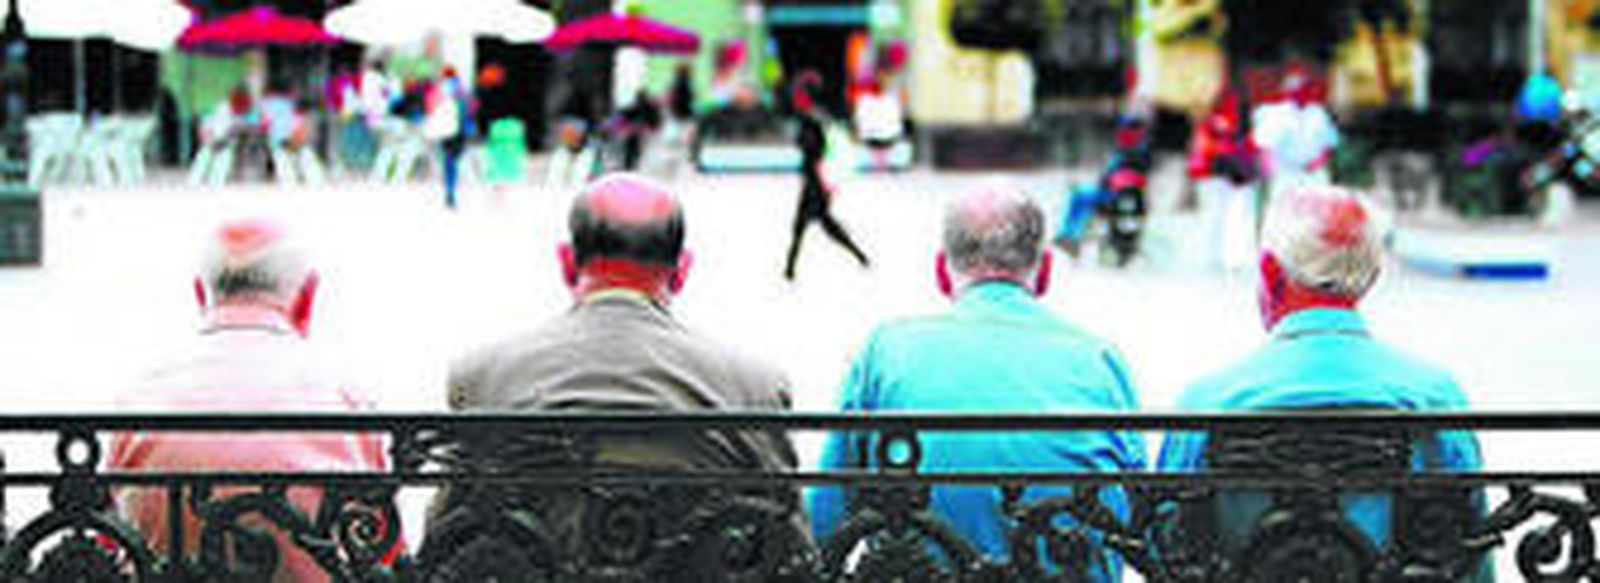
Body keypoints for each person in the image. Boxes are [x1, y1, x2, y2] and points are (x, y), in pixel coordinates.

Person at [442, 173, 807, 550]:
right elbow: (792, 549)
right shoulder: (754, 384)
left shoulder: (482, 376)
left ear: (567, 263)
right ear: (682, 271)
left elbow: (446, 544)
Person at [810, 185, 1147, 581]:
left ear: (941, 271)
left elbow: (828, 513)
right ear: (1046, 273)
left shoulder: (885, 349)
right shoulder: (1099, 358)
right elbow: (1139, 511)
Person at [1158, 186, 1486, 575]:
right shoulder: (1434, 396)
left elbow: (1164, 541)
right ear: (1372, 277)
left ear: (1269, 271)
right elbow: (1470, 548)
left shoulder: (1210, 400)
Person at [108, 218, 390, 582]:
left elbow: (113, 537)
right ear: (307, 298)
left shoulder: (143, 394)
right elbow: (383, 540)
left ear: (200, 294)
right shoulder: (344, 395)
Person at [782, 71, 871, 281]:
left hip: (815, 181)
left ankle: (790, 269)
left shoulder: (812, 121)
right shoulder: (816, 118)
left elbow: (818, 155)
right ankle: (789, 269)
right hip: (813, 180)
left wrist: (826, 183)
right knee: (814, 225)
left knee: (818, 225)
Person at [1251, 72, 1339, 196]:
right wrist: (1273, 177)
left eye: (1305, 89)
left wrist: (1315, 164)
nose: (1301, 93)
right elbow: (1265, 151)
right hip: (1284, 175)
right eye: (1297, 90)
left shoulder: (1319, 113)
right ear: (1288, 92)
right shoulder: (1274, 114)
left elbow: (1330, 144)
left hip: (1314, 174)